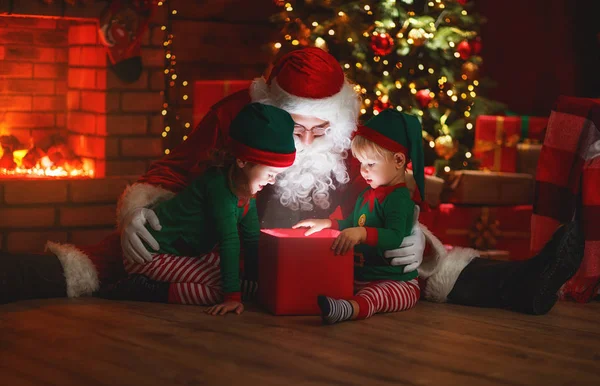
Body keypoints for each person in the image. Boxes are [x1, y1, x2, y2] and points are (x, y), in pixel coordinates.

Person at [0, 47, 584, 316]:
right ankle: (17, 273)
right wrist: (138, 210)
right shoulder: (237, 115)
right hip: (217, 242)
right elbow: (170, 173)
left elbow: (395, 198)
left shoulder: (359, 144)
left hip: (331, 260)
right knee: (100, 263)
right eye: (291, 128)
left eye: (318, 130)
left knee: (422, 265)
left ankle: (520, 286)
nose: (305, 142)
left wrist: (416, 240)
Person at [100, 103, 296, 316]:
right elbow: (229, 240)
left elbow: (251, 239)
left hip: (183, 253)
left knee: (237, 277)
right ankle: (148, 289)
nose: (272, 180)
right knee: (220, 289)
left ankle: (244, 290)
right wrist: (231, 297)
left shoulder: (246, 192)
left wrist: (262, 281)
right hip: (150, 254)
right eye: (270, 172)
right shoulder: (218, 188)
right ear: (242, 161)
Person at [294, 109, 424, 324]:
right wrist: (328, 223)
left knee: (376, 297)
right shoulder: (367, 194)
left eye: (370, 164)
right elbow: (352, 224)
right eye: (361, 164)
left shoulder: (398, 199)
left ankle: (350, 310)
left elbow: (395, 236)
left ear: (399, 160)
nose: (363, 171)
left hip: (394, 282)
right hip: (365, 276)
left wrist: (362, 233)